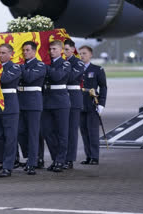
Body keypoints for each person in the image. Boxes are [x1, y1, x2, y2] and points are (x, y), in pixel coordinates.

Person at [0, 44, 22, 177]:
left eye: (3, 53)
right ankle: (0, 161)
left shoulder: (15, 67)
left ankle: (8, 166)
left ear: (11, 54)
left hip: (10, 106)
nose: (0, 55)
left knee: (10, 137)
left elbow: (5, 79)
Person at [41, 40, 71, 172]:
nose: (51, 51)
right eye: (50, 49)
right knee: (47, 132)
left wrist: (45, 67)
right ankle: (55, 158)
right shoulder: (48, 64)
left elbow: (58, 76)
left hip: (60, 102)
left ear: (61, 50)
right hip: (47, 101)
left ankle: (61, 160)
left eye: (54, 49)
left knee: (62, 132)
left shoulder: (65, 63)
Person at [18, 41, 46, 175]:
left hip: (34, 103)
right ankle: (30, 156)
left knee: (33, 133)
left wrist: (21, 68)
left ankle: (32, 163)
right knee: (21, 132)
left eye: (28, 50)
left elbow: (29, 78)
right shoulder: (22, 65)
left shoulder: (39, 65)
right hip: (21, 101)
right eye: (23, 50)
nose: (25, 52)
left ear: (34, 51)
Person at [79, 45, 107, 165]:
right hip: (80, 103)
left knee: (93, 132)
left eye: (84, 53)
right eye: (80, 53)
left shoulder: (97, 69)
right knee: (84, 132)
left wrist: (101, 103)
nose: (82, 56)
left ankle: (95, 157)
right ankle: (88, 156)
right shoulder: (77, 69)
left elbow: (103, 87)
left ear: (91, 55)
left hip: (92, 103)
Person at [63, 39, 85, 169]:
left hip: (73, 98)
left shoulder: (78, 63)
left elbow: (70, 77)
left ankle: (70, 159)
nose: (64, 52)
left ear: (72, 49)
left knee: (71, 130)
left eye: (66, 49)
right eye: (63, 49)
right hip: (61, 97)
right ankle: (61, 157)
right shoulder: (60, 62)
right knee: (61, 130)